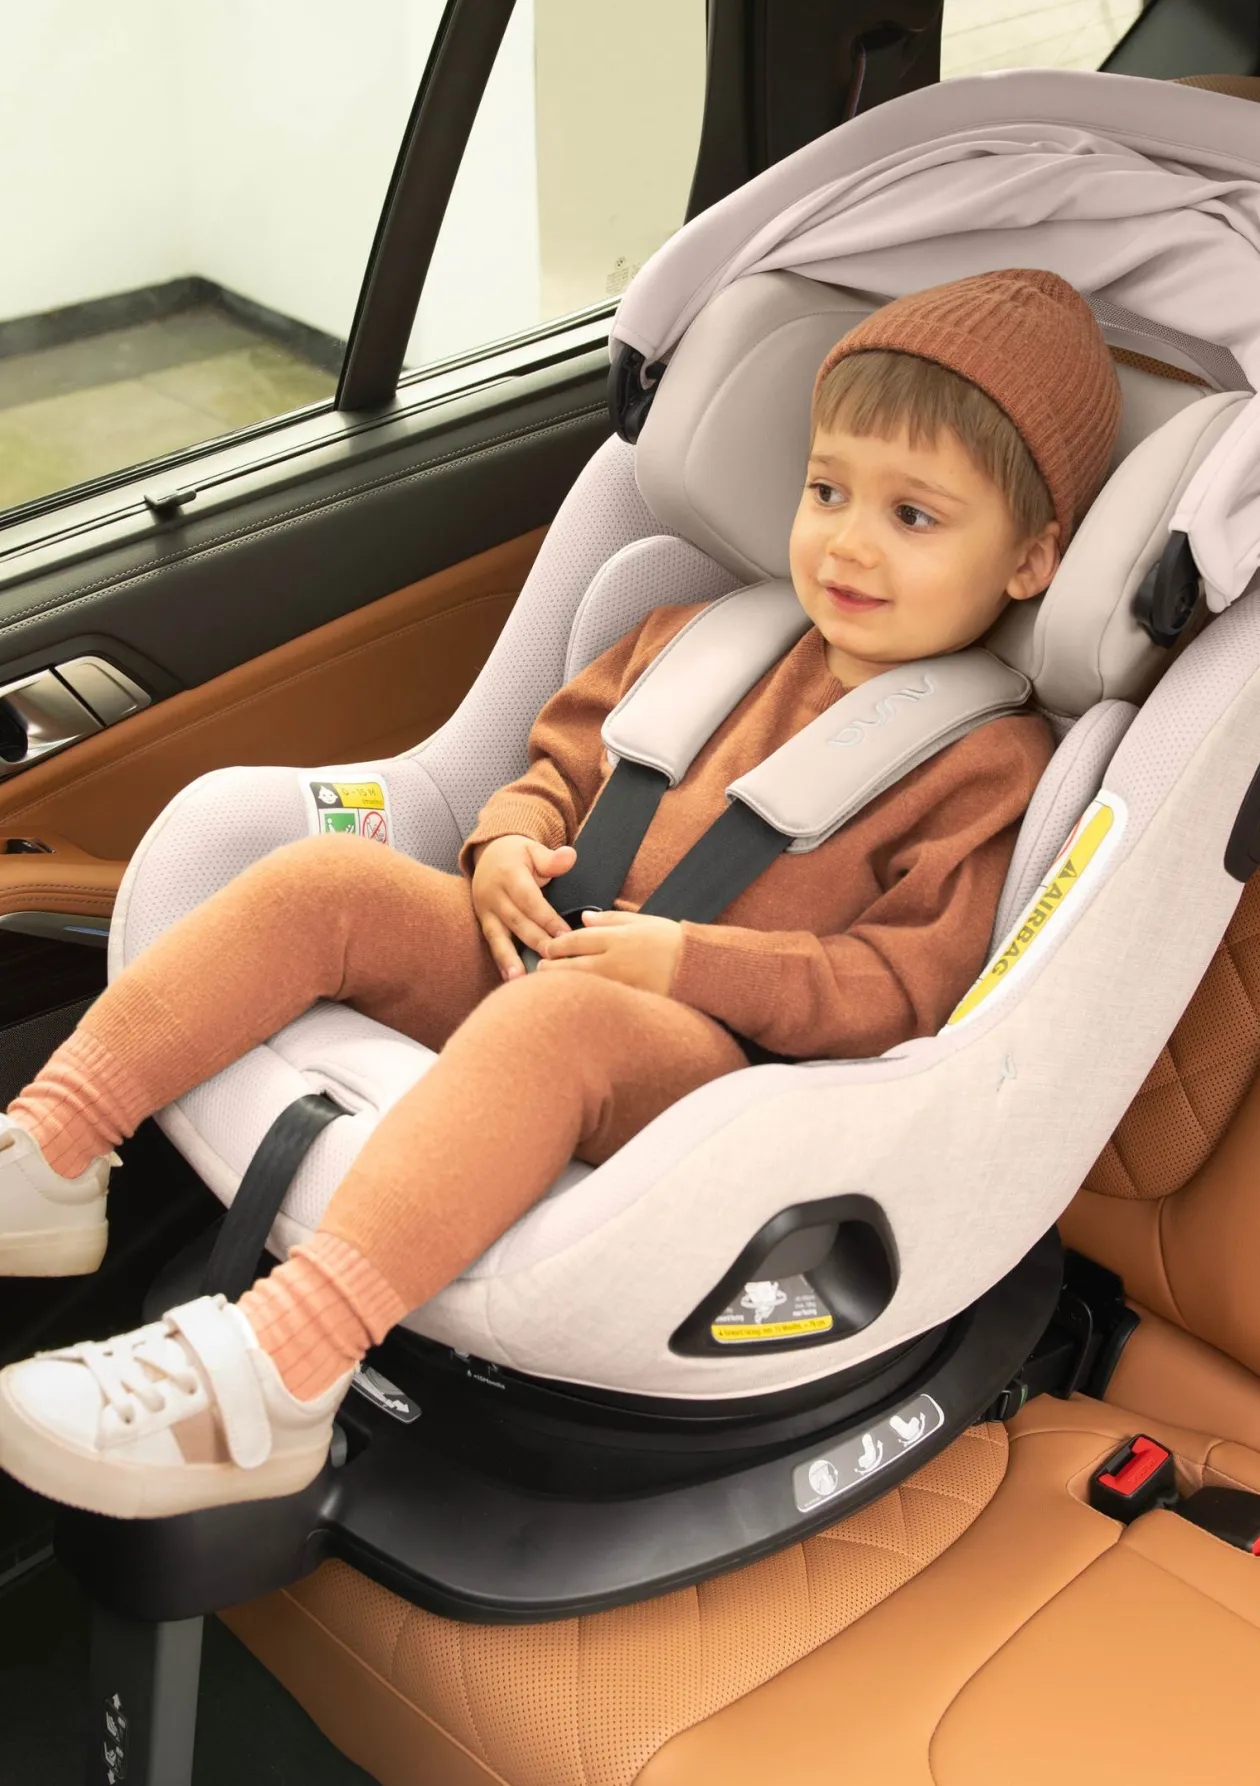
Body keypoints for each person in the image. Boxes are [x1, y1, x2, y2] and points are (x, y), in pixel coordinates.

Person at [0, 269, 1119, 1519]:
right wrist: (505, 848)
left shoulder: (989, 766)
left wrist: (687, 965)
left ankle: (281, 1369)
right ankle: (49, 1147)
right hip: (551, 953)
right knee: (324, 880)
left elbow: (901, 990)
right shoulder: (694, 635)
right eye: (826, 491)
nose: (848, 542)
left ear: (1032, 558)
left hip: (726, 1075)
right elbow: (553, 769)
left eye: (914, 515)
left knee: (560, 1018)